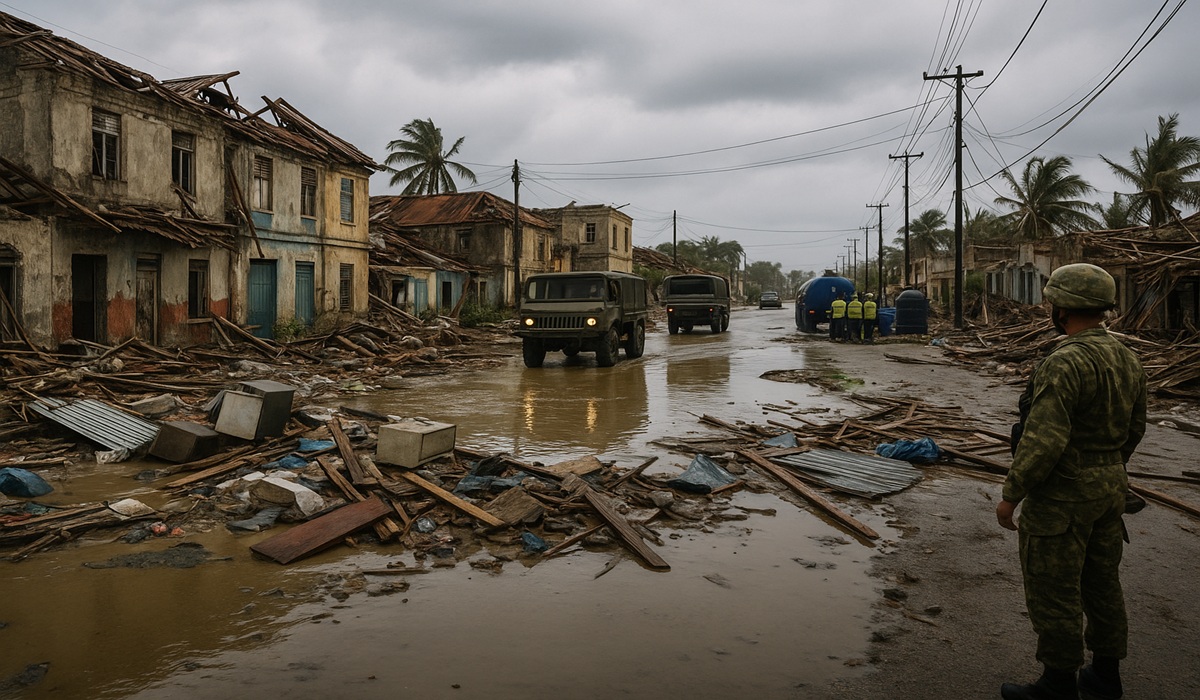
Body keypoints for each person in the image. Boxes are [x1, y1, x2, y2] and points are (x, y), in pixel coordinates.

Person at [996, 263, 1147, 700]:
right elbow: (1136, 426)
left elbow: (1044, 440)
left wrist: (1012, 494)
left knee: (1055, 589)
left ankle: (1057, 684)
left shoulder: (1065, 361)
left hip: (1063, 495)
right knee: (1102, 584)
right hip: (1110, 487)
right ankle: (1105, 676)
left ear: (1061, 309)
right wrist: (1109, 467)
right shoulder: (1127, 357)